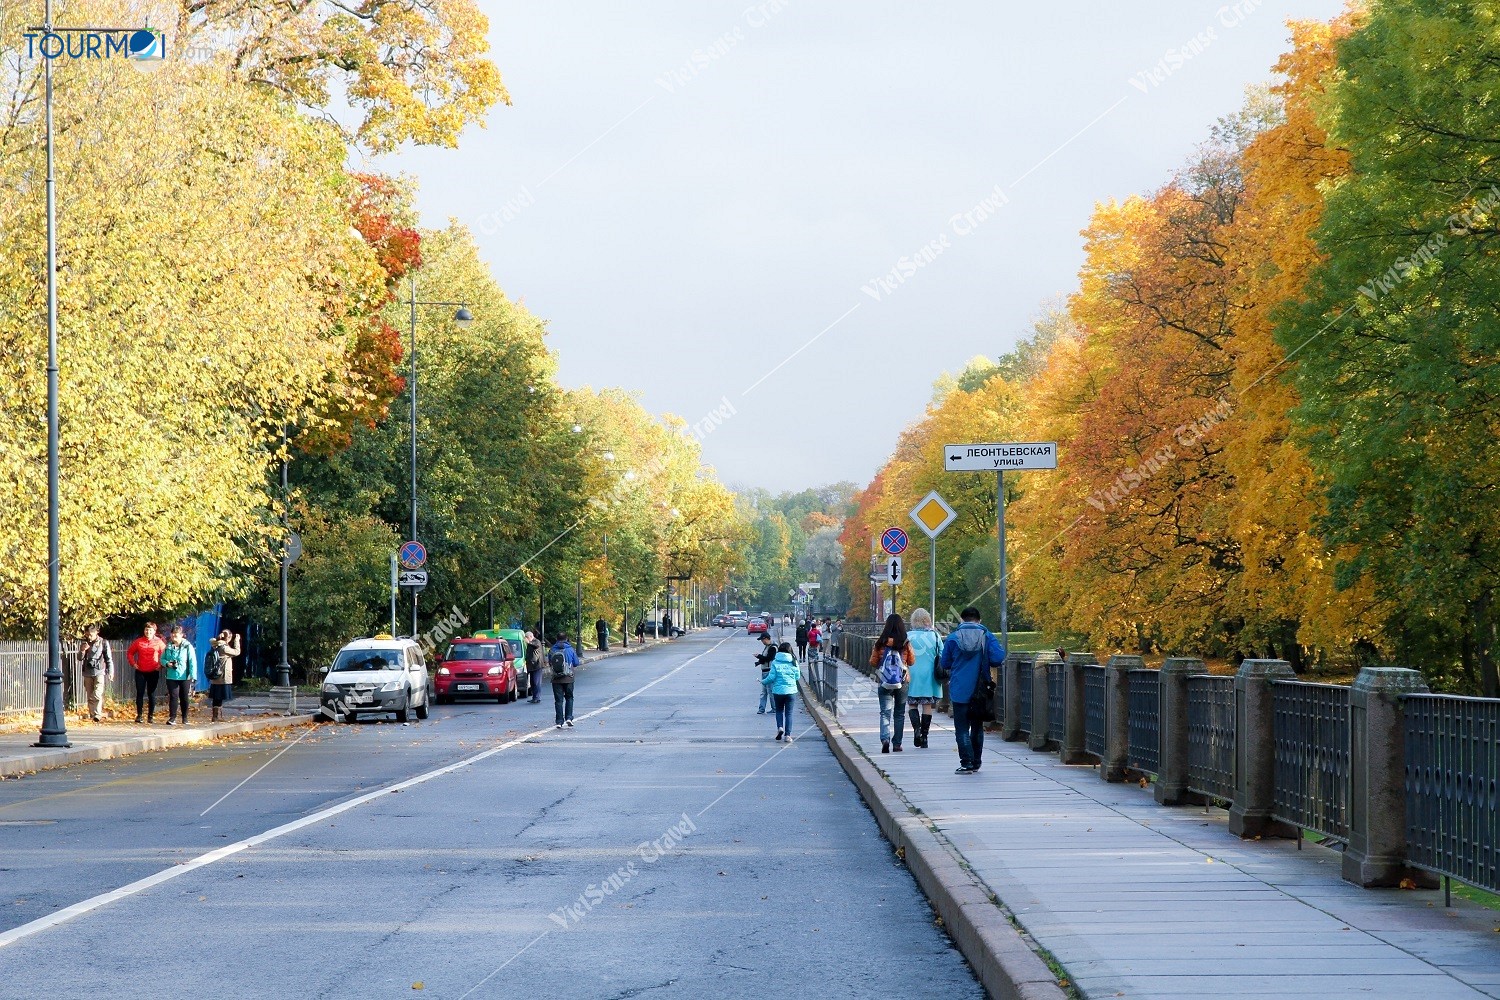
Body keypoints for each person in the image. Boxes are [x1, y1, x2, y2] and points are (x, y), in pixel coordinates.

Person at [940, 606, 1005, 774]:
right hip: (980, 689)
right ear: (979, 620)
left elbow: (945, 663)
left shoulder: (953, 638)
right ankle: (976, 762)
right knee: (977, 726)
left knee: (961, 728)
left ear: (962, 620)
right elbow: (998, 658)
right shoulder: (987, 636)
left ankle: (966, 763)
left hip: (959, 688)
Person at [870, 613, 915, 753]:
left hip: (884, 680)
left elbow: (873, 662)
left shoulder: (881, 642)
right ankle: (897, 744)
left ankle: (885, 739)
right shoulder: (905, 642)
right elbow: (912, 661)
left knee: (885, 712)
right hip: (902, 681)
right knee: (899, 713)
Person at [906, 609, 942, 749]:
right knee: (927, 706)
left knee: (912, 704)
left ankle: (917, 730)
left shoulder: (908, 636)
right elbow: (942, 654)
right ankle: (925, 736)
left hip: (912, 675)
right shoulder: (934, 636)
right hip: (929, 676)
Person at [126, 622, 166, 724]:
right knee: (140, 693)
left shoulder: (159, 642)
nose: (148, 632)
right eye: (146, 630)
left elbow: (165, 654)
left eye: (150, 630)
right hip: (140, 671)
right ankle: (139, 715)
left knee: (151, 693)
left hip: (153, 671)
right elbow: (130, 652)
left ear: (154, 631)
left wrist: (160, 665)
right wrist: (133, 663)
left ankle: (150, 716)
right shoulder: (139, 642)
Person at [160, 624, 198, 727]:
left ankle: (185, 717)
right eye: (172, 635)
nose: (174, 637)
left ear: (181, 635)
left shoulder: (187, 646)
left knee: (184, 697)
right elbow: (162, 659)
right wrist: (167, 663)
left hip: (184, 676)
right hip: (171, 676)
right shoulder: (168, 646)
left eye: (176, 635)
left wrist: (193, 677)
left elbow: (192, 662)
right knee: (173, 696)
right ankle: (172, 718)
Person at [762, 641, 800, 742]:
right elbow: (798, 676)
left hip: (778, 691)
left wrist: (763, 682)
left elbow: (771, 677)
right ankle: (788, 735)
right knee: (789, 713)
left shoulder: (775, 661)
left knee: (779, 711)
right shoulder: (794, 661)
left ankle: (780, 727)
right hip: (791, 691)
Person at [77, 625, 114, 722]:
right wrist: (82, 650)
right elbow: (79, 658)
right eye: (87, 634)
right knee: (89, 694)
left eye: (91, 635)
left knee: (97, 693)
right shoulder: (84, 643)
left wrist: (110, 671)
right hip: (87, 672)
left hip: (99, 671)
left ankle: (97, 713)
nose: (89, 637)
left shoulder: (103, 642)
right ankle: (94, 715)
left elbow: (108, 658)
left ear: (96, 632)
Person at [205, 630, 241, 722]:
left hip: (216, 676)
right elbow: (237, 652)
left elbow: (212, 640)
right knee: (219, 697)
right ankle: (216, 716)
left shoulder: (215, 645)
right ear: (228, 638)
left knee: (217, 697)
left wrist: (219, 637)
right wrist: (237, 640)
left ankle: (215, 716)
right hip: (223, 676)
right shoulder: (224, 648)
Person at [548, 633, 579, 728]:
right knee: (569, 697)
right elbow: (576, 663)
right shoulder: (570, 649)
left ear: (557, 639)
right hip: (569, 678)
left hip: (556, 679)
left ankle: (559, 721)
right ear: (566, 639)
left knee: (558, 700)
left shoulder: (552, 650)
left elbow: (550, 662)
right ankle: (569, 717)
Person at [754, 632, 776, 714]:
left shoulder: (773, 647)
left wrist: (759, 656)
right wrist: (759, 662)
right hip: (764, 671)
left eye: (762, 640)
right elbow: (765, 659)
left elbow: (769, 658)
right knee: (764, 691)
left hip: (769, 671)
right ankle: (761, 708)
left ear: (766, 639)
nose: (762, 642)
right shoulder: (767, 647)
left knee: (770, 691)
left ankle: (774, 708)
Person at [524, 631, 544, 703]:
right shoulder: (530, 643)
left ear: (530, 636)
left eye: (526, 637)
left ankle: (537, 697)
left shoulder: (536, 641)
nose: (526, 639)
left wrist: (529, 642)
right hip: (531, 666)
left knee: (536, 682)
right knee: (532, 682)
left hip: (537, 665)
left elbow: (536, 646)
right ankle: (534, 697)